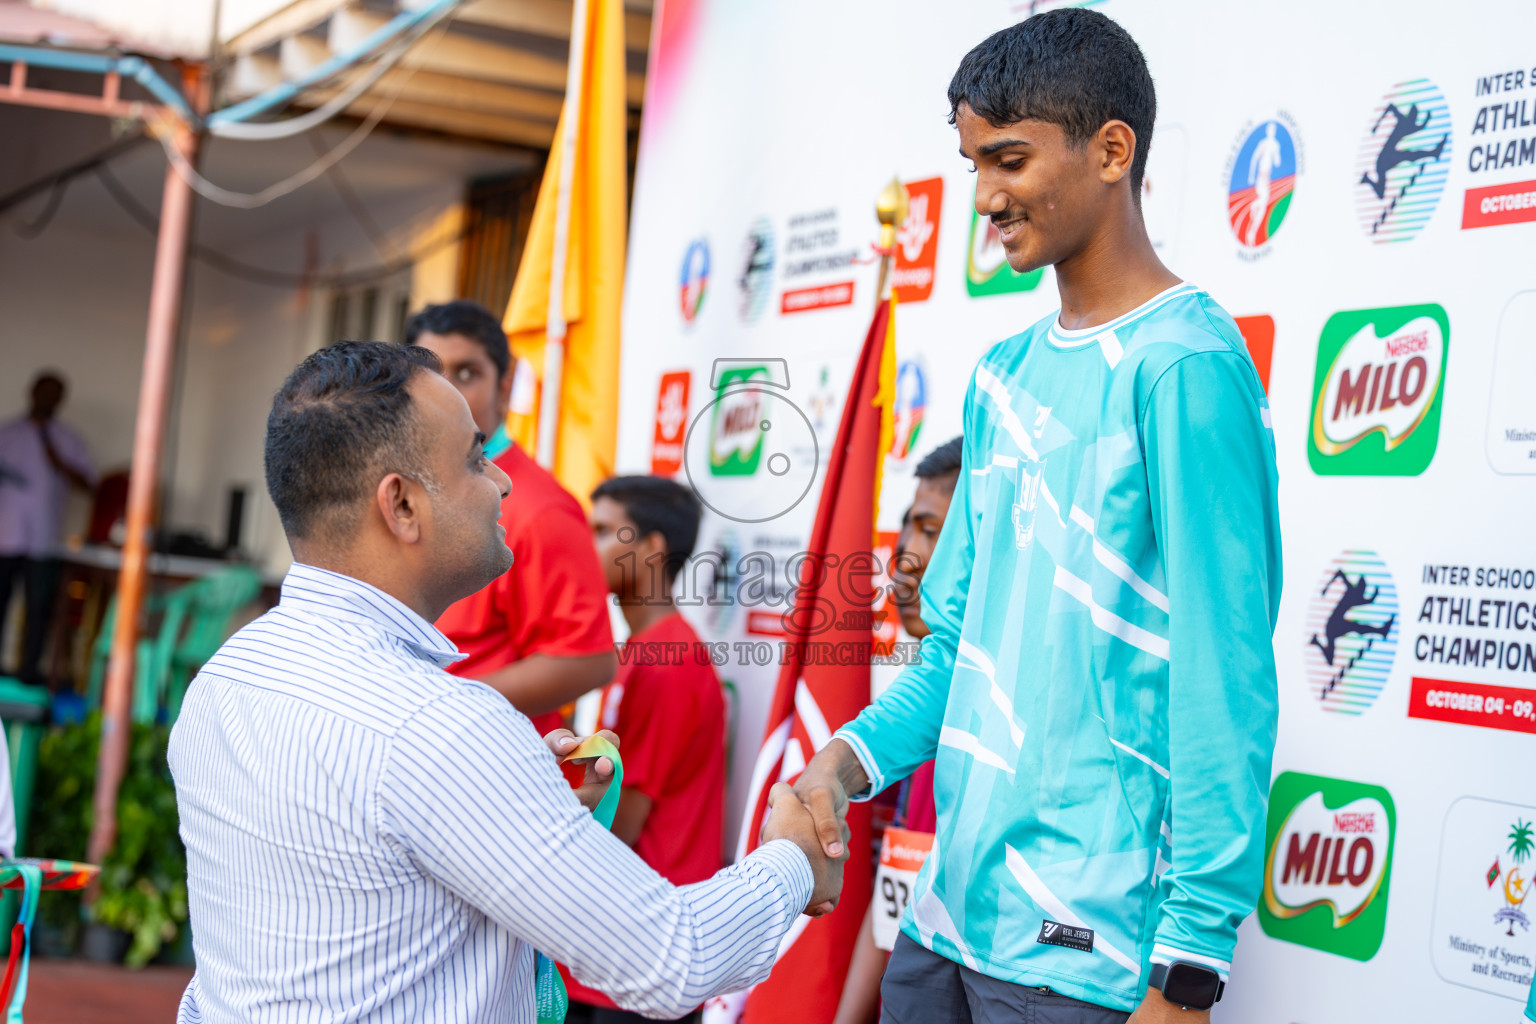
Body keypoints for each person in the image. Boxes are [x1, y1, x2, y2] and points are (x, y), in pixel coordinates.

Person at [794, 11, 1282, 1024]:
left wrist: (1189, 967)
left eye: (1008, 160)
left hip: (1088, 961)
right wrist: (843, 763)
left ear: (1112, 150)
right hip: (941, 927)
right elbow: (954, 655)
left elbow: (1222, 677)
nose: (985, 197)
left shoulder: (1185, 365)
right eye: (972, 164)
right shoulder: (1001, 376)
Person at [168, 342, 847, 1021]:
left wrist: (519, 803)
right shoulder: (443, 727)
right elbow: (670, 957)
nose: (502, 480)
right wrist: (790, 856)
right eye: (472, 458)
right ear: (400, 506)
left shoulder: (227, 678)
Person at [406, 300, 616, 734]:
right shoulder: (400, 485)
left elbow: (588, 659)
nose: (447, 391)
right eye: (431, 376)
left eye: (467, 373)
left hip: (487, 766)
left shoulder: (540, 508)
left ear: (504, 388)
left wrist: (444, 704)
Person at [564, 475, 726, 1024]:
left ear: (653, 551)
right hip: (614, 948)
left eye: (606, 531)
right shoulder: (642, 652)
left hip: (642, 957)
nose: (589, 547)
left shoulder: (670, 662)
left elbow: (622, 820)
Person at [834, 437, 962, 1024]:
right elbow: (900, 891)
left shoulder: (992, 714)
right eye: (910, 528)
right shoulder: (924, 710)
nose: (906, 557)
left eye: (933, 532)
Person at [0, 372, 95, 685]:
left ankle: (28, 673)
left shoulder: (68, 439)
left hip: (44, 539)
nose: (48, 399)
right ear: (32, 392)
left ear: (60, 400)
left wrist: (58, 460)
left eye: (55, 394)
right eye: (44, 391)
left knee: (39, 608)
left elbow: (88, 484)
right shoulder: (7, 433)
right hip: (6, 534)